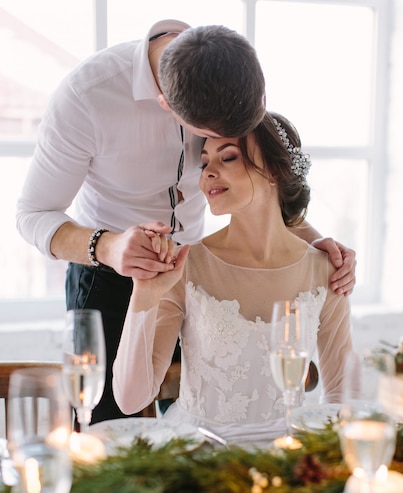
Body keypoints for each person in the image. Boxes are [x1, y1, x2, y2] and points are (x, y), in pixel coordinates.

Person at [16, 19, 355, 424]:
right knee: (110, 428)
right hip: (108, 270)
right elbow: (32, 214)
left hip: (197, 269)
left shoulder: (225, 74)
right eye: (209, 150)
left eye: (227, 151)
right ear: (168, 108)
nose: (207, 170)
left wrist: (314, 249)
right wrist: (110, 247)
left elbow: (262, 176)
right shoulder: (85, 98)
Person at [112, 111, 353, 437]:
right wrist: (144, 295)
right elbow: (131, 400)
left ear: (274, 171)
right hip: (201, 457)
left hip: (288, 461)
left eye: (228, 158)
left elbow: (341, 397)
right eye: (205, 161)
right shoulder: (186, 265)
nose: (208, 173)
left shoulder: (326, 271)